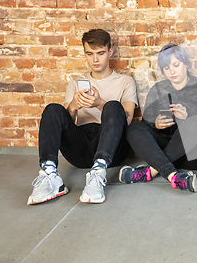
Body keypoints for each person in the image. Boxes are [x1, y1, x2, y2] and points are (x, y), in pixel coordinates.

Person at [28, 29, 138, 205]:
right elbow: (64, 126)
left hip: (113, 150)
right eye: (90, 54)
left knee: (112, 106)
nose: (95, 59)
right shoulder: (75, 83)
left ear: (110, 52)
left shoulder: (125, 82)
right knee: (53, 109)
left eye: (100, 53)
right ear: (85, 54)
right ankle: (50, 175)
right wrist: (73, 106)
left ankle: (98, 173)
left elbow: (126, 119)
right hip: (81, 149)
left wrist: (99, 103)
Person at [119, 44, 197, 193]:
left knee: (196, 121)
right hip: (163, 146)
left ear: (186, 64)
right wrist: (155, 124)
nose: (172, 71)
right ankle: (174, 177)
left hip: (192, 155)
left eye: (176, 65)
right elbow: (145, 125)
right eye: (166, 68)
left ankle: (151, 171)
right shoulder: (157, 90)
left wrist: (188, 118)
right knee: (134, 128)